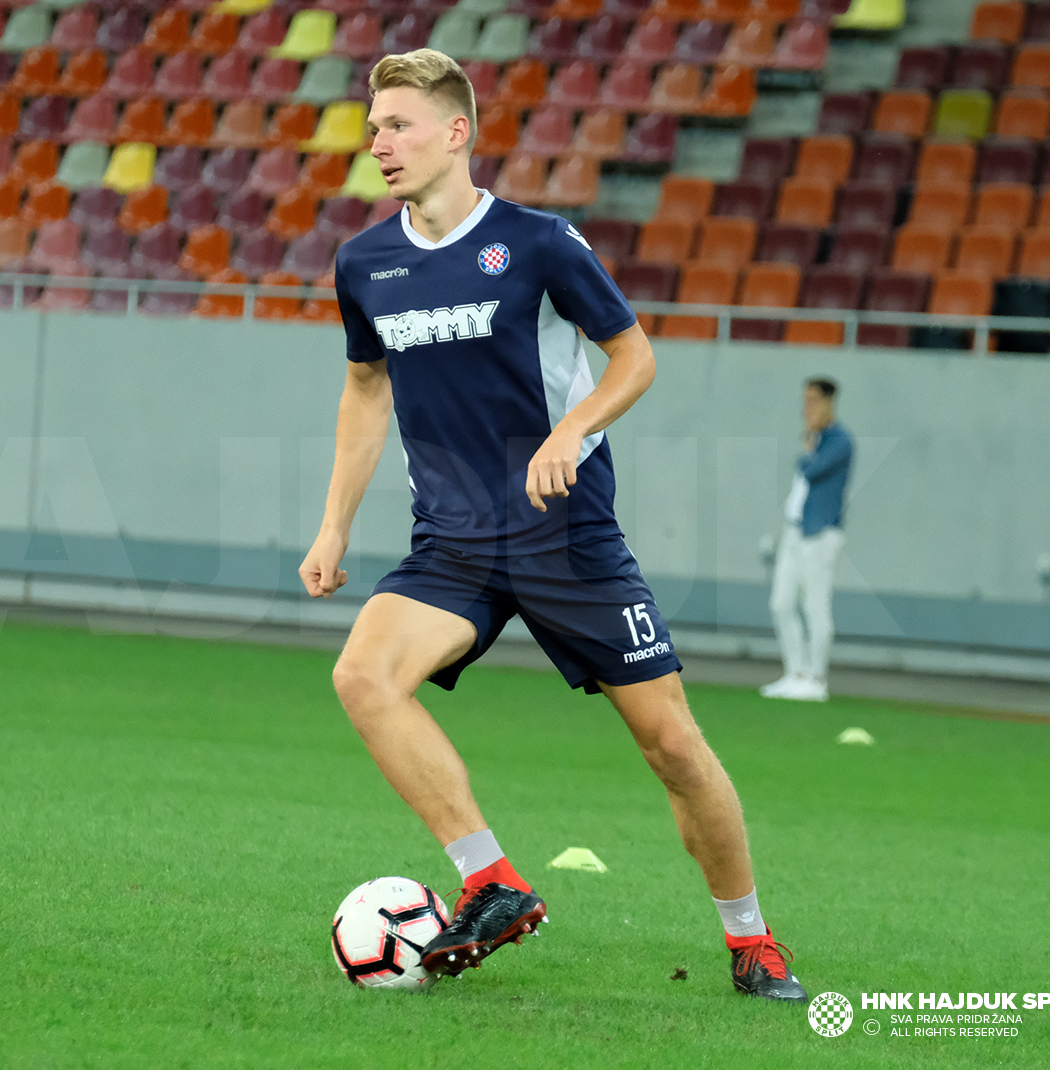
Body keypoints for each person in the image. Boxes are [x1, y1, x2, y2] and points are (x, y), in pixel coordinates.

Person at [298, 48, 807, 1002]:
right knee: (364, 675)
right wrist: (333, 526)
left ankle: (752, 939)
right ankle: (493, 881)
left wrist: (573, 429)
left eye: (399, 124)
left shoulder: (537, 243)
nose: (381, 142)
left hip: (565, 538)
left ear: (458, 133)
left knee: (673, 747)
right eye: (373, 129)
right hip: (450, 543)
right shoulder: (364, 261)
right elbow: (365, 392)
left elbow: (634, 357)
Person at [761, 378, 853, 704]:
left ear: (829, 402)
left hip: (820, 533)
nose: (807, 407)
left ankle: (816, 679)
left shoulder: (839, 440)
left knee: (815, 605)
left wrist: (809, 445)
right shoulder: (816, 438)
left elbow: (811, 469)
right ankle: (795, 674)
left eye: (813, 400)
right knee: (781, 603)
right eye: (805, 400)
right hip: (794, 530)